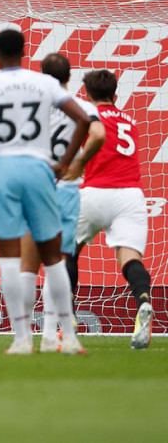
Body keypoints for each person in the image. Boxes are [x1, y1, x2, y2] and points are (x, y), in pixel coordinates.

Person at [0, 29, 91, 355]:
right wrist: (64, 163)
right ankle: (69, 339)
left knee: (9, 258)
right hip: (38, 168)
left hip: (2, 170)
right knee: (53, 258)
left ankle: (22, 339)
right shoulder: (44, 83)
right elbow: (82, 119)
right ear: (24, 53)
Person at [18, 53, 104, 352]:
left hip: (34, 186)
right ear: (69, 77)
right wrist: (79, 161)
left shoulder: (29, 105)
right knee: (59, 261)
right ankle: (52, 334)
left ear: (42, 75)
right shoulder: (82, 107)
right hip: (66, 187)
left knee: (28, 263)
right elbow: (98, 134)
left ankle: (23, 337)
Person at [70, 69, 155, 349]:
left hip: (95, 192)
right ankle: (143, 301)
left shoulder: (88, 118)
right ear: (115, 95)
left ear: (87, 95)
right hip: (130, 195)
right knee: (130, 259)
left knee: (68, 251)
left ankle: (68, 317)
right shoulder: (130, 121)